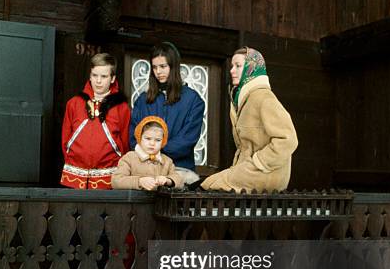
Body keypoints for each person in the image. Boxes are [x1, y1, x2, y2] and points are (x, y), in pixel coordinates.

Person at [201, 46, 298, 193]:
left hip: (266, 172)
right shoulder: (243, 98)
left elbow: (288, 139)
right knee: (206, 185)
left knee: (209, 186)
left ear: (251, 68)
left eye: (238, 66)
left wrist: (260, 161)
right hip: (248, 168)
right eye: (232, 66)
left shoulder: (264, 97)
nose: (232, 70)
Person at [130, 42, 205, 185]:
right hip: (146, 173)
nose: (158, 72)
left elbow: (186, 141)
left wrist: (154, 150)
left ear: (174, 66)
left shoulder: (193, 100)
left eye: (163, 66)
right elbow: (134, 138)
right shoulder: (142, 101)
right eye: (155, 67)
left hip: (180, 171)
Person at [60, 53, 130, 189]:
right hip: (74, 176)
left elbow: (125, 142)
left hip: (108, 176)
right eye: (94, 75)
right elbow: (65, 139)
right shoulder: (74, 103)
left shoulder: (121, 107)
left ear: (112, 78)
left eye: (104, 76)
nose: (98, 81)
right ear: (90, 76)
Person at [112, 116, 183, 190]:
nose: (152, 143)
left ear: (163, 141)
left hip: (159, 201)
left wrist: (168, 180)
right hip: (135, 200)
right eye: (148, 138)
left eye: (158, 140)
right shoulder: (129, 158)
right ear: (139, 138)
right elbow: (116, 181)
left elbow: (179, 181)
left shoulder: (167, 161)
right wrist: (139, 181)